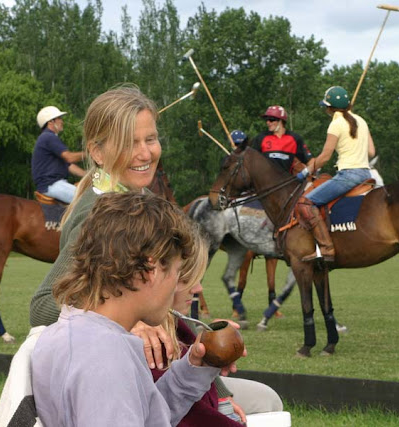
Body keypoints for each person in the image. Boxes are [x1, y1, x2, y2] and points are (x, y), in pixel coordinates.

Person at [31, 192, 226, 426]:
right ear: (150, 270)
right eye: (177, 272)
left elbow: (143, 415)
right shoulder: (105, 360)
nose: (179, 285)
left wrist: (194, 369)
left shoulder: (83, 333)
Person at [30, 85, 177, 370]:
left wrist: (214, 381)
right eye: (130, 143)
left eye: (151, 139)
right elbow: (42, 305)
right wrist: (125, 320)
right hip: (109, 371)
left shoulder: (146, 202)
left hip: (159, 371)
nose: (145, 154)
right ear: (97, 152)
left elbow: (166, 311)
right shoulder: (95, 215)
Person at [153, 231, 284, 427]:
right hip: (183, 404)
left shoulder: (177, 317)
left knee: (269, 398)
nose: (198, 289)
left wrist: (222, 394)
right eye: (186, 279)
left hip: (194, 395)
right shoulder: (143, 335)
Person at [295, 86, 376, 262]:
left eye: (326, 106)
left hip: (348, 175)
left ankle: (326, 248)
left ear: (330, 108)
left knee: (306, 203)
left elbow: (325, 157)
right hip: (366, 174)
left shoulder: (336, 123)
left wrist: (306, 171)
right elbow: (371, 151)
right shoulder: (361, 120)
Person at [31, 105, 85, 204]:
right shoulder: (48, 137)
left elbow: (69, 166)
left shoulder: (48, 138)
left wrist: (88, 176)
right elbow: (69, 158)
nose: (62, 121)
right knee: (87, 202)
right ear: (51, 122)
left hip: (54, 184)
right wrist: (91, 153)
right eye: (59, 118)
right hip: (52, 184)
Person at [249, 105, 313, 176]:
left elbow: (310, 161)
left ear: (281, 121)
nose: (268, 122)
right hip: (264, 183)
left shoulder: (295, 138)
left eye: (271, 119)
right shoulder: (261, 137)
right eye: (266, 119)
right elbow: (250, 160)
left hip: (287, 182)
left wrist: (305, 173)